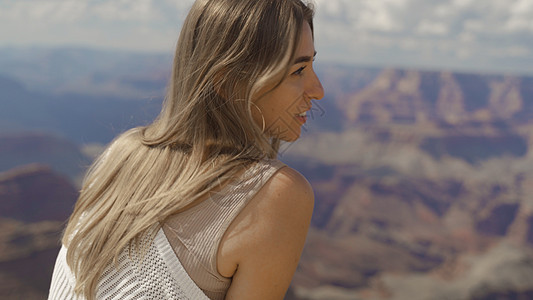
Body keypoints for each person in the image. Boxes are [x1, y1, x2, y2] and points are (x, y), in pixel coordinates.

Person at [48, 0, 324, 299]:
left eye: (311, 66)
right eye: (298, 70)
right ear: (228, 81)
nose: (318, 89)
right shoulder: (275, 194)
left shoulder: (119, 157)